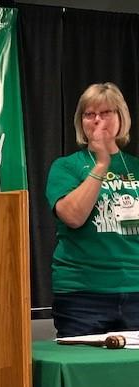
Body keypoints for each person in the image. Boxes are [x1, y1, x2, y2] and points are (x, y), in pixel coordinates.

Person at [46, 82, 139, 337]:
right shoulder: (66, 167)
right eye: (89, 114)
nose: (97, 120)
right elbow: (73, 217)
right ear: (81, 122)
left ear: (121, 118)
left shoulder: (136, 167)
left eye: (106, 112)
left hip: (135, 291)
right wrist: (101, 165)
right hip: (82, 297)